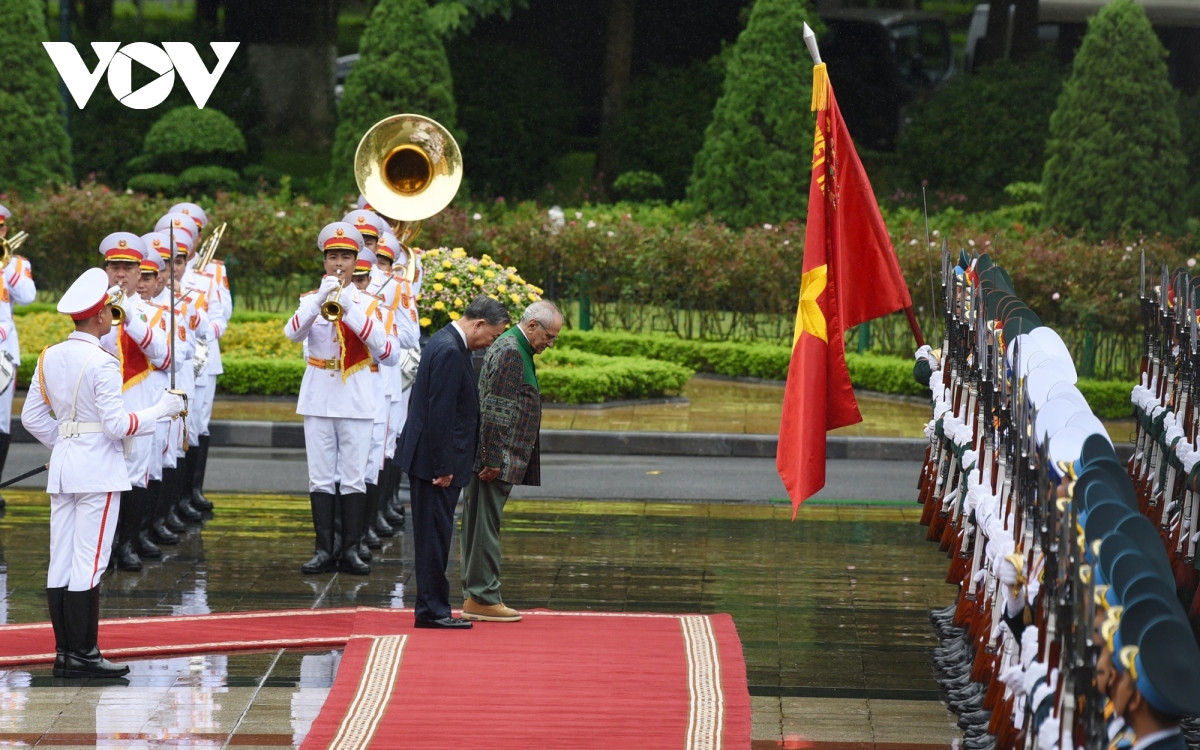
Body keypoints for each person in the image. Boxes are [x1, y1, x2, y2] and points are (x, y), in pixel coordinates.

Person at [21, 268, 185, 678]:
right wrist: (160, 412)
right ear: (98, 318)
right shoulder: (103, 362)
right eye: (108, 312)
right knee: (89, 562)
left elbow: (31, 417)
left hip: (65, 469)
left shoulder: (50, 355)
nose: (112, 317)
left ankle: (65, 654)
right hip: (97, 471)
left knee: (61, 561)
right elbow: (116, 425)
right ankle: (85, 655)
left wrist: (65, 443)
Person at [284, 222, 398, 576]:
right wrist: (320, 300)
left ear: (356, 261)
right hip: (319, 394)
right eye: (333, 256)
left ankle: (351, 548)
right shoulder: (310, 299)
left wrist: (350, 307)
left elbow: (389, 352)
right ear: (325, 260)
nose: (339, 264)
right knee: (320, 477)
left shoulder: (369, 303)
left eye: (345, 258)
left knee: (352, 477)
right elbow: (291, 333)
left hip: (357, 396)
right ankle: (323, 549)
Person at [396, 295, 510, 629]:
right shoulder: (448, 350)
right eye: (491, 336)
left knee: (435, 536)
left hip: (433, 460)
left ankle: (433, 607)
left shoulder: (446, 342)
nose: (490, 343)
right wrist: (442, 466)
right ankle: (432, 611)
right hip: (436, 465)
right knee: (434, 538)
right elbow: (440, 414)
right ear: (478, 323)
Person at [460, 300, 562, 623]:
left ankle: (478, 594)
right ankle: (484, 596)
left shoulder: (514, 348)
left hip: (496, 454)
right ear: (532, 326)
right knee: (485, 527)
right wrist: (491, 458)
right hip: (496, 457)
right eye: (549, 336)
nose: (550, 343)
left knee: (480, 524)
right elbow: (496, 410)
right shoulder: (512, 352)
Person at [0, 204, 36, 511]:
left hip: (3, 351)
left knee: (0, 421)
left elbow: (28, 296)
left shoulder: (17, 263)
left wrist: (5, 264)